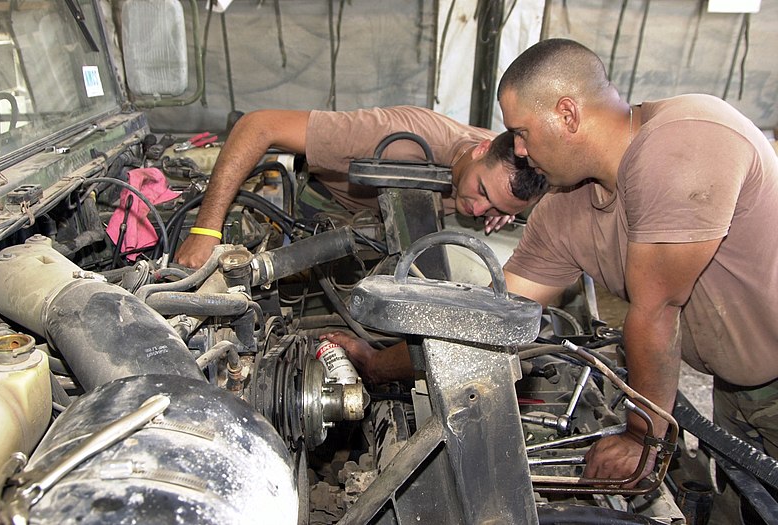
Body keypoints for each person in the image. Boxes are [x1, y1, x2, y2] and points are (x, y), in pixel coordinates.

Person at [332, 38, 778, 495]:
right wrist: (376, 364)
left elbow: (657, 309)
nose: (519, 150)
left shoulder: (686, 140)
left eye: (522, 131)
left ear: (568, 114)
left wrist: (641, 437)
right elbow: (484, 321)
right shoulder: (564, 209)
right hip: (735, 389)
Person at [174, 106, 548, 269]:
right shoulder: (395, 136)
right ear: (481, 149)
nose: (479, 210)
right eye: (482, 192)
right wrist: (206, 229)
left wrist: (502, 209)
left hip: (391, 229)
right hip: (317, 210)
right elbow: (258, 125)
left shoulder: (511, 160)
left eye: (497, 208)